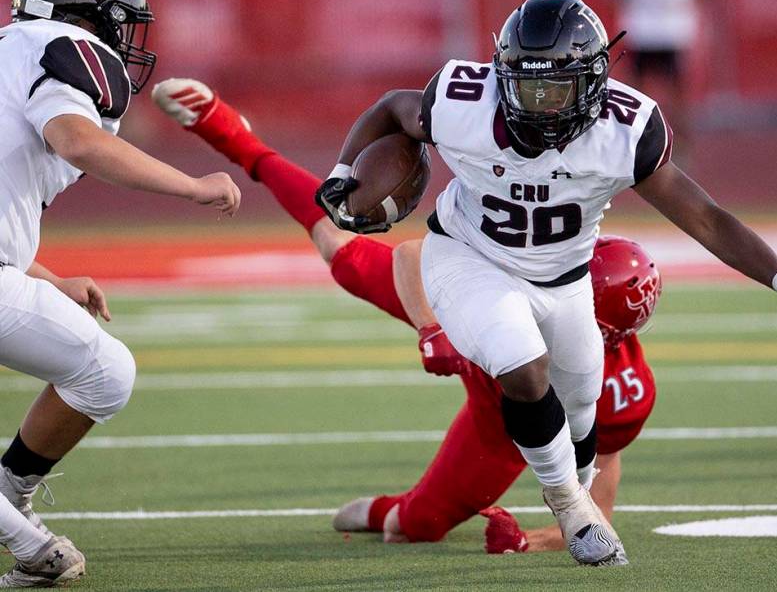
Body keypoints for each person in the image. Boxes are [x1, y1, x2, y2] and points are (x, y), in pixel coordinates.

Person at [315, 0, 777, 565]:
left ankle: (572, 487)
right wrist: (339, 170)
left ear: (593, 80)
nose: (540, 105)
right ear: (503, 76)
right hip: (468, 256)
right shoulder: (464, 101)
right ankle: (573, 510)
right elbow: (390, 108)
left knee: (581, 422)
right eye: (527, 87)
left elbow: (704, 216)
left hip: (564, 279)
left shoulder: (626, 130)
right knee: (522, 366)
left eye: (556, 89)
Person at [151, 77, 660, 555]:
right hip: (472, 300)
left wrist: (528, 539)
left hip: (497, 419)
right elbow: (412, 256)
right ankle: (235, 137)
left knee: (416, 526)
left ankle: (386, 511)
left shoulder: (617, 384)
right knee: (339, 245)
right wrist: (431, 326)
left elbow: (600, 510)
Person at [0, 0, 241, 587]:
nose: (124, 39)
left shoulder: (10, 53)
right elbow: (77, 139)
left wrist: (44, 276)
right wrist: (191, 187)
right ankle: (26, 541)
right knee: (105, 371)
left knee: (105, 369)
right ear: (89, 15)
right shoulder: (55, 45)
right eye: (119, 21)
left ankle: (12, 500)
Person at [604, 0, 712, 150]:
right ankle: (636, 141)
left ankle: (680, 144)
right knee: (635, 91)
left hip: (675, 30)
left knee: (678, 90)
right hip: (640, 29)